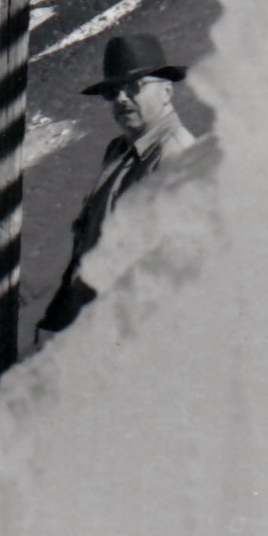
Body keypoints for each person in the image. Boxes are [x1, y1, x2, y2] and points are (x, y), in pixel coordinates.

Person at [37, 30, 205, 335]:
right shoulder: (119, 151)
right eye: (112, 92)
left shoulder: (177, 157)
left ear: (167, 91)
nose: (122, 99)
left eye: (135, 87)